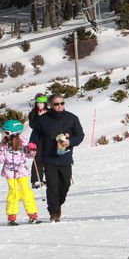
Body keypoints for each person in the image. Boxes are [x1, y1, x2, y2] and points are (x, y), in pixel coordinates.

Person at [29, 94, 84, 222]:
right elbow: (35, 135)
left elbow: (80, 135)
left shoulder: (72, 118)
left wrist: (70, 142)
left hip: (65, 158)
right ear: (51, 105)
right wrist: (32, 145)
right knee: (52, 186)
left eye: (62, 103)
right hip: (49, 158)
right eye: (56, 104)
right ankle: (54, 212)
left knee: (65, 185)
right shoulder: (43, 119)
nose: (59, 106)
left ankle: (57, 204)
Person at [2, 119, 39, 224]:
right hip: (10, 172)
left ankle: (32, 214)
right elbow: (1, 159)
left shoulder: (24, 142)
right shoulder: (4, 144)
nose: (5, 135)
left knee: (25, 191)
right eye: (4, 132)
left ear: (15, 133)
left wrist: (32, 150)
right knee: (13, 193)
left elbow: (29, 156)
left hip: (22, 171)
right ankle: (12, 216)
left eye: (7, 133)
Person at [27, 93, 49, 187]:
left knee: (50, 158)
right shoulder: (33, 113)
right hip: (37, 138)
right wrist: (40, 117)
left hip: (48, 138)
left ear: (45, 103)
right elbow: (33, 125)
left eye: (41, 103)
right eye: (37, 103)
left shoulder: (50, 112)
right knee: (38, 158)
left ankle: (52, 178)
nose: (39, 104)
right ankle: (36, 180)